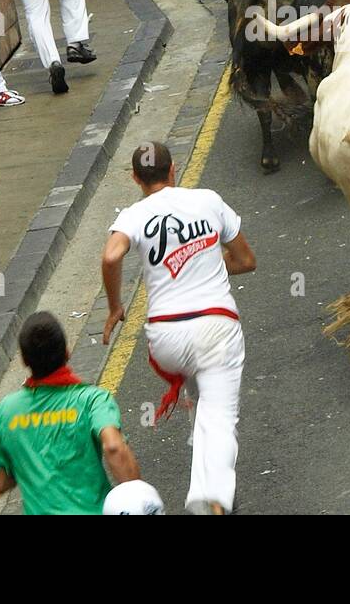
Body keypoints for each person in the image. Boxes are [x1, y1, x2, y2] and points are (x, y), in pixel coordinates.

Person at [102, 142, 256, 515]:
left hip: (166, 337)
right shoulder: (208, 200)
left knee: (203, 401)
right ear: (174, 169)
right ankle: (213, 503)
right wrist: (214, 264)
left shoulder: (133, 215)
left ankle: (208, 486)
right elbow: (246, 261)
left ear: (136, 178)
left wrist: (115, 306)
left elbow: (111, 255)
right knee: (219, 415)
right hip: (216, 327)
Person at [0, 312, 140, 514]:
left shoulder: (6, 411)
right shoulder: (92, 400)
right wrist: (140, 501)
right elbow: (113, 447)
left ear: (25, 360)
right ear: (66, 352)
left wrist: (31, 459)